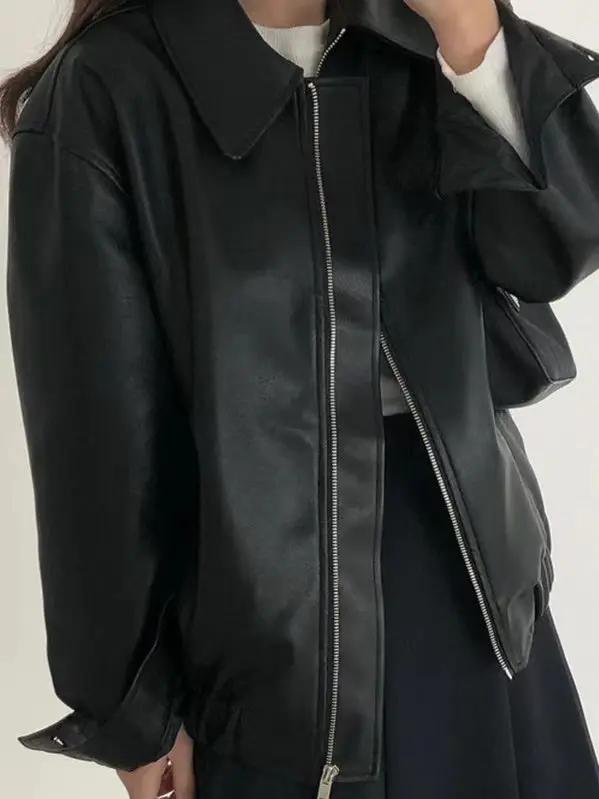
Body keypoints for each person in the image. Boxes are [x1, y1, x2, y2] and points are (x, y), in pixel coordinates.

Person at [2, 0, 599, 797]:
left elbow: (555, 249)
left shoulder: (424, 35)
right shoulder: (109, 89)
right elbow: (93, 446)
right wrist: (132, 710)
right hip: (265, 646)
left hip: (478, 593)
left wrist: (470, 32)